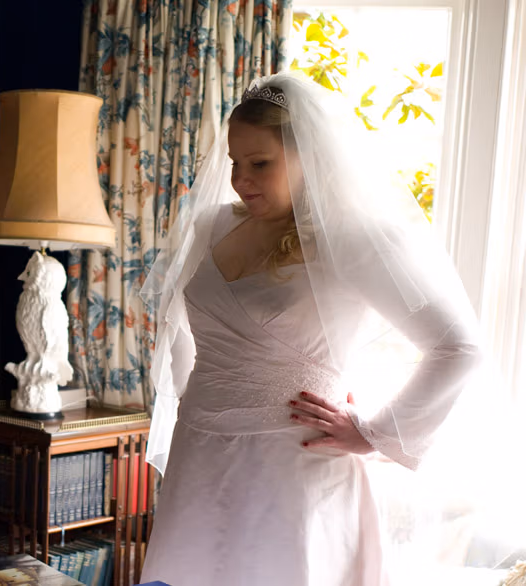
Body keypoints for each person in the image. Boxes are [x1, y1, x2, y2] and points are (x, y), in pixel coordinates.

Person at [138, 72, 484, 585]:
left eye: (260, 163)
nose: (241, 179)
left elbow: (459, 347)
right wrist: (195, 400)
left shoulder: (358, 240)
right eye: (234, 162)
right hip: (200, 455)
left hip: (294, 467)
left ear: (310, 158)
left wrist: (376, 433)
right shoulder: (213, 225)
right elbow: (182, 332)